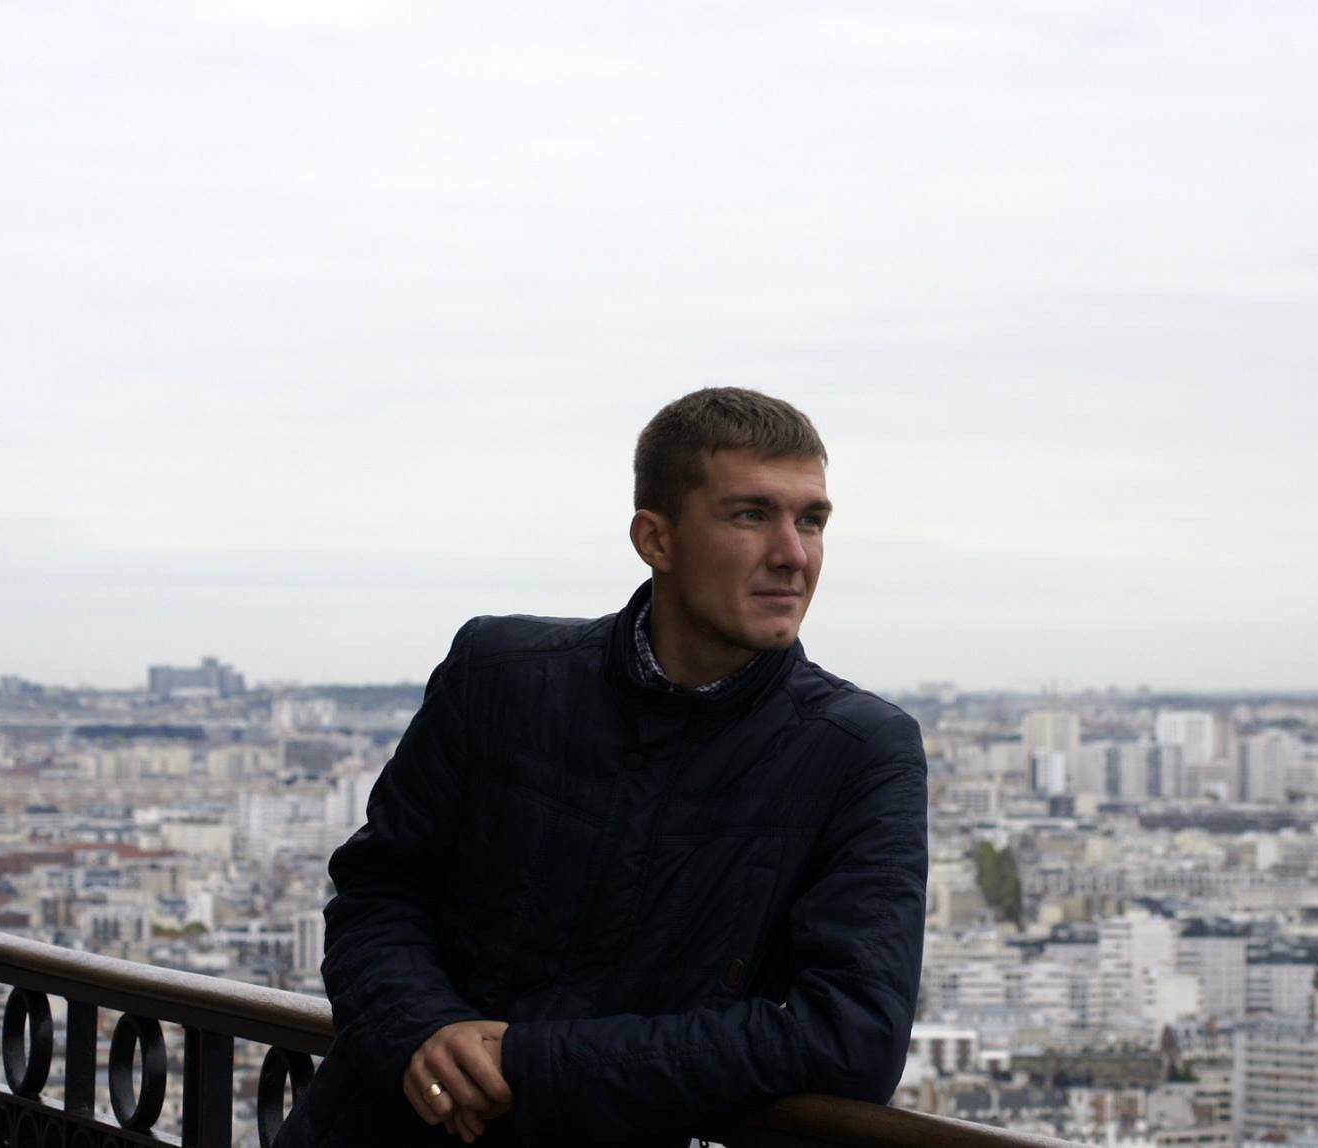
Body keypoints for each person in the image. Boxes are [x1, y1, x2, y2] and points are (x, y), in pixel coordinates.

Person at [273, 388, 929, 1147]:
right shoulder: (499, 674)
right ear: (656, 539)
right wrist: (425, 1028)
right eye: (751, 515)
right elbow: (379, 893)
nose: (793, 554)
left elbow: (853, 1037)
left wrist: (524, 1061)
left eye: (811, 520)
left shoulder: (857, 750)